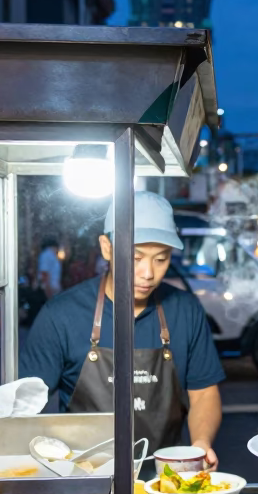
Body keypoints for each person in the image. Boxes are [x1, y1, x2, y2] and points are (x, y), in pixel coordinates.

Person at [21, 192, 223, 463]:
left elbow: (204, 395)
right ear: (107, 248)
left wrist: (201, 443)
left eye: (161, 259)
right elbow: (24, 408)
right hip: (84, 479)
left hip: (165, 481)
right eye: (135, 257)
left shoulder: (186, 311)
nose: (148, 273)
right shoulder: (62, 315)